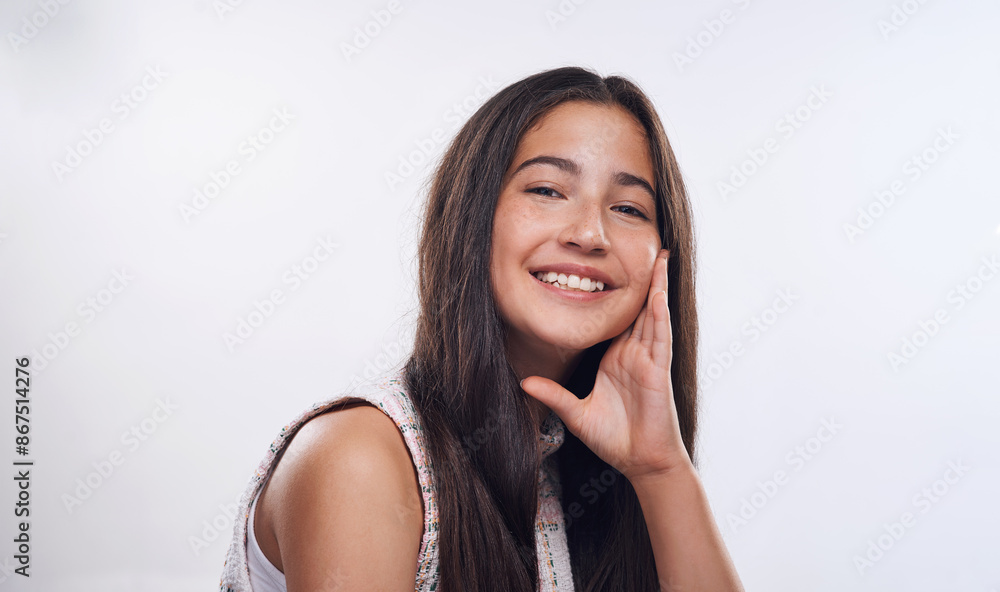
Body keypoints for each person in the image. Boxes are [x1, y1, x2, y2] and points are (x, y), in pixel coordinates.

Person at [220, 65, 745, 592]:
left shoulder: (585, 464)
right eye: (546, 190)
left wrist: (661, 472)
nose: (590, 233)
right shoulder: (359, 457)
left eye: (629, 207)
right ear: (472, 216)